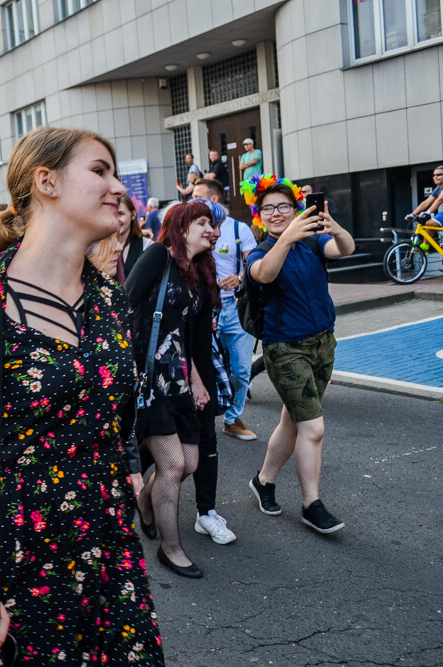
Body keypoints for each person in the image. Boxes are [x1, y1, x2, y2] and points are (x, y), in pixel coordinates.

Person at [0, 127, 163, 666]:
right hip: (16, 566)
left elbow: (112, 427)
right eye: (99, 170)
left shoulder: (109, 304)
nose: (117, 186)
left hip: (107, 558)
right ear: (46, 181)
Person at [241, 174, 355, 535]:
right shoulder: (260, 252)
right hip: (285, 349)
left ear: (295, 209)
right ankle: (311, 504)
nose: (276, 213)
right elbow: (264, 275)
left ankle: (264, 481)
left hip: (323, 344)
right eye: (268, 208)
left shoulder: (312, 243)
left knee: (292, 420)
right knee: (313, 427)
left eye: (284, 206)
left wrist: (333, 227)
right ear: (260, 215)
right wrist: (286, 238)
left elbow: (345, 249)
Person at [127, 201, 217, 579]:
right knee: (174, 464)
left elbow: (182, 334)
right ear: (181, 227)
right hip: (151, 382)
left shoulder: (195, 270)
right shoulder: (158, 255)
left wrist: (196, 380)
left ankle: (148, 500)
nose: (211, 229)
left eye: (212, 224)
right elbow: (122, 308)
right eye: (202, 222)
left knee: (190, 464)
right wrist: (128, 369)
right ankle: (171, 548)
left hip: (179, 380)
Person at [193, 178, 257, 442]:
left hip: (235, 308)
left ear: (214, 200)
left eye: (198, 197)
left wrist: (240, 278)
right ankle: (203, 420)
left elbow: (257, 267)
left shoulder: (240, 229)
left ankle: (232, 418)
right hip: (203, 310)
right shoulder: (193, 229)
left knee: (242, 370)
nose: (191, 202)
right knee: (202, 368)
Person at [116, 194, 147, 281]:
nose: (116, 219)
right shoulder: (101, 245)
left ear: (133, 215)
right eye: (114, 214)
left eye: (120, 214)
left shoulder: (146, 245)